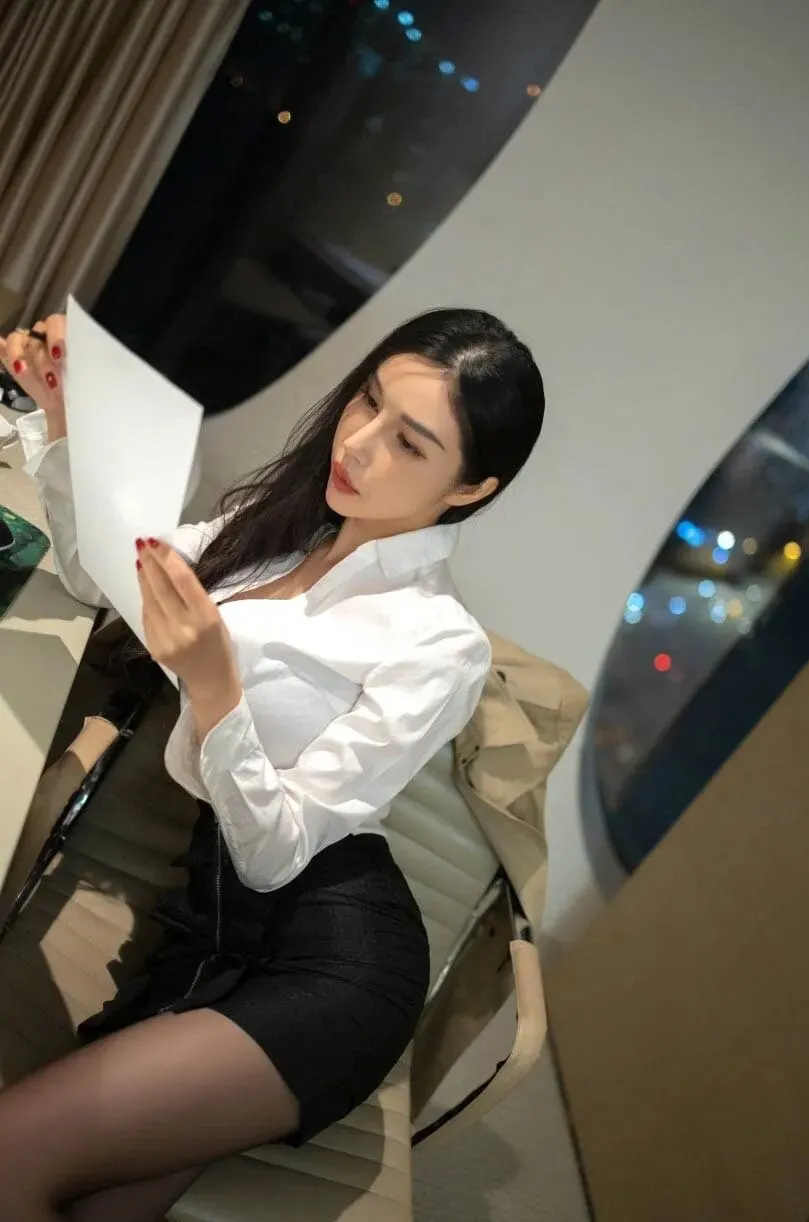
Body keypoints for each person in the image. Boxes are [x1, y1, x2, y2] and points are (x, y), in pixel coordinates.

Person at [0, 307, 545, 1222]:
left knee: (13, 1154)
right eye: (366, 400)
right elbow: (106, 577)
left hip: (332, 970)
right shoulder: (279, 532)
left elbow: (274, 856)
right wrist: (63, 426)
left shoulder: (438, 642)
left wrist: (217, 688)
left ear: (468, 488)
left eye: (408, 442)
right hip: (207, 930)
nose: (358, 444)